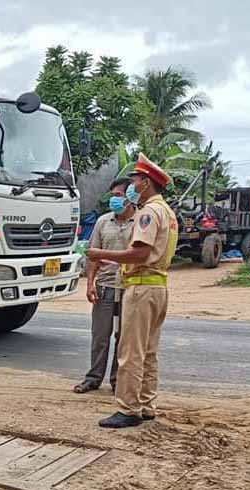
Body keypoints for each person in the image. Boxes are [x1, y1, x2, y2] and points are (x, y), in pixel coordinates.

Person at [87, 153, 178, 428]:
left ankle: (128, 409)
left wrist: (100, 253)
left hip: (141, 286)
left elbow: (139, 253)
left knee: (130, 352)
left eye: (136, 180)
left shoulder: (148, 213)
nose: (132, 186)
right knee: (148, 351)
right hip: (158, 286)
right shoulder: (167, 212)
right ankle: (147, 405)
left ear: (146, 183)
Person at [73, 178, 136, 394]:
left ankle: (118, 380)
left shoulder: (140, 222)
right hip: (105, 286)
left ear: (129, 197)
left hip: (129, 287)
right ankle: (93, 378)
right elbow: (93, 255)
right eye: (112, 196)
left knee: (124, 337)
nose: (113, 200)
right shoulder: (102, 222)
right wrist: (90, 283)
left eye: (118, 195)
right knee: (100, 336)